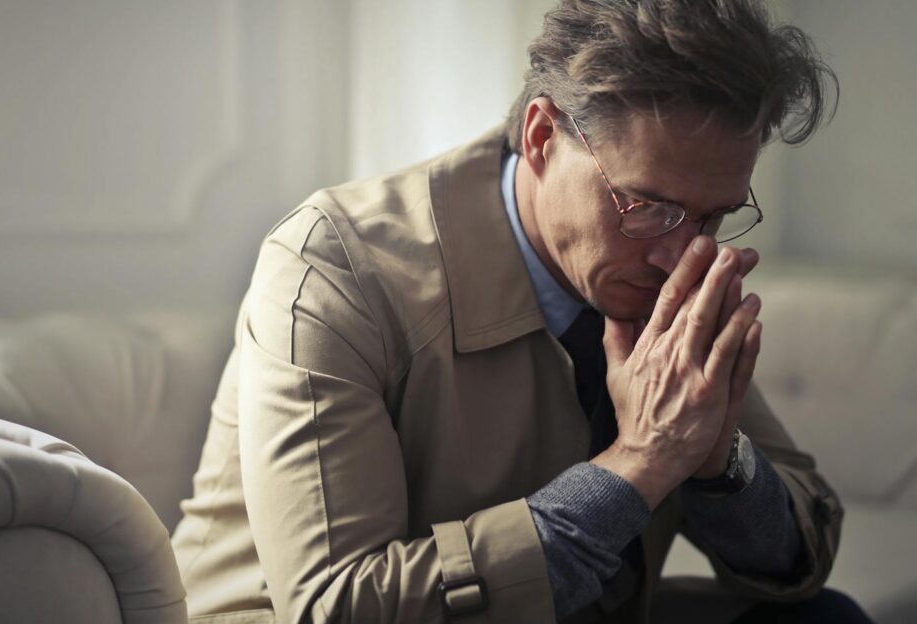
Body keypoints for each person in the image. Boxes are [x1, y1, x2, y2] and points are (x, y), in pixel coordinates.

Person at [171, 0, 870, 622]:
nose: (677, 255)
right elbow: (339, 606)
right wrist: (644, 463)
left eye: (714, 216)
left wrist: (718, 456)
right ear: (541, 137)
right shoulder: (334, 264)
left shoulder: (665, 269)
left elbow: (804, 551)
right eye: (647, 207)